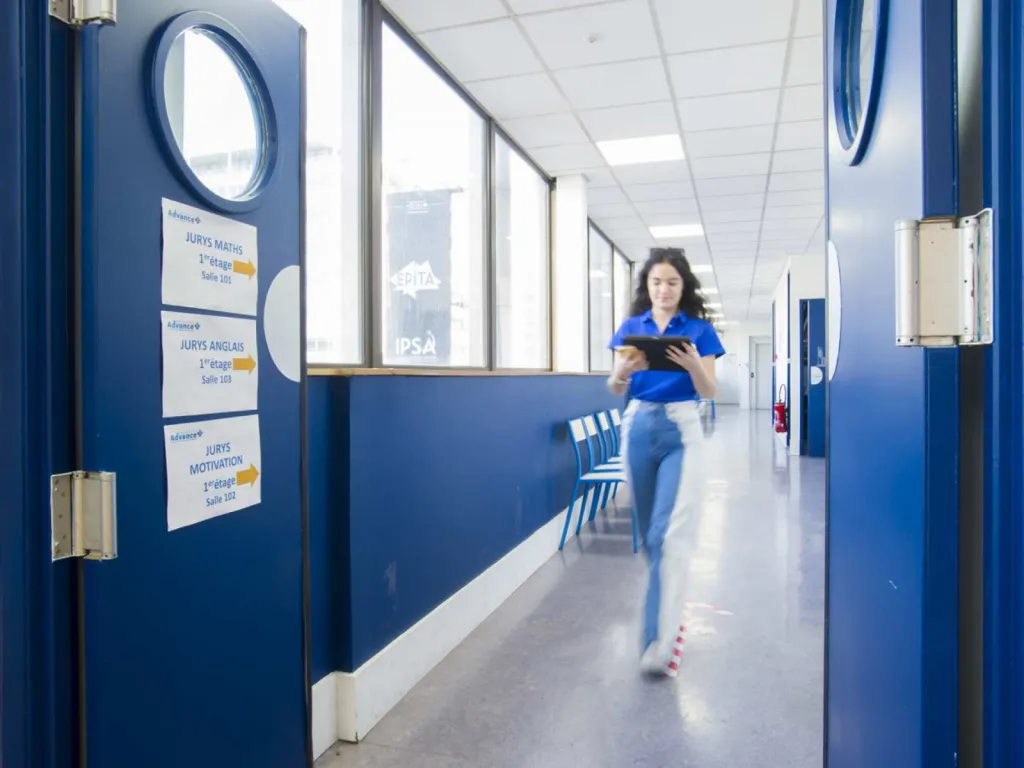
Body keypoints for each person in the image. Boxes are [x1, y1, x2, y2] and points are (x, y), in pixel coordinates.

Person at [607, 246, 724, 677]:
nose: (664, 290)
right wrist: (623, 370)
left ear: (683, 286)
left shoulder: (698, 330)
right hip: (638, 426)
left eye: (672, 282)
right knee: (649, 539)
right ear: (647, 286)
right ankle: (666, 608)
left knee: (666, 535)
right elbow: (616, 387)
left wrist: (694, 363)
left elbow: (709, 391)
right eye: (656, 282)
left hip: (681, 428)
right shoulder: (631, 328)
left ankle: (660, 638)